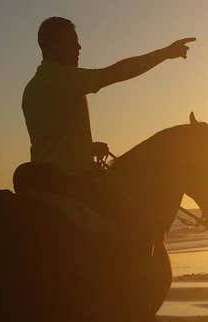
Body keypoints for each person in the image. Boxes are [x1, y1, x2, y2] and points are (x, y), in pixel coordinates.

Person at [19, 17, 196, 201]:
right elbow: (116, 72)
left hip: (45, 182)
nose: (79, 48)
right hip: (71, 184)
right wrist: (165, 53)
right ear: (52, 46)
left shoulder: (32, 88)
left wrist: (87, 148)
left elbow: (53, 142)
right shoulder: (64, 79)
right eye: (72, 42)